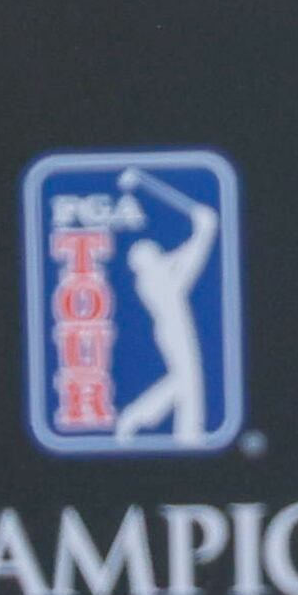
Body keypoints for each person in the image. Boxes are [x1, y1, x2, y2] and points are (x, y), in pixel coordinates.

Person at [108, 167, 221, 445]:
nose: (157, 252)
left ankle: (185, 435)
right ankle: (139, 416)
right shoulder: (152, 281)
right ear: (143, 262)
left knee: (185, 381)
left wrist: (203, 230)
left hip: (177, 326)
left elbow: (183, 257)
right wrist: (204, 231)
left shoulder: (160, 270)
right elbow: (189, 262)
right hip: (173, 330)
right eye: (151, 252)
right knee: (187, 381)